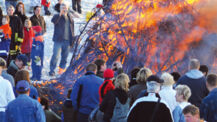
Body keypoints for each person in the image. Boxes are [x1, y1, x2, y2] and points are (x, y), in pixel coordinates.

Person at [49, 2, 75, 76]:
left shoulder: (70, 17)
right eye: (62, 8)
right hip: (58, 40)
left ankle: (61, 70)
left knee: (65, 56)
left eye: (65, 8)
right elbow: (53, 21)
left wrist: (72, 39)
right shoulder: (57, 15)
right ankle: (52, 70)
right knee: (55, 56)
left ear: (67, 8)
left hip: (67, 40)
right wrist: (60, 14)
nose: (64, 9)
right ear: (60, 9)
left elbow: (72, 29)